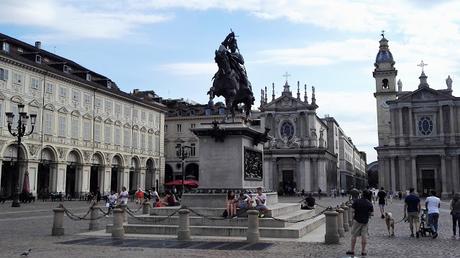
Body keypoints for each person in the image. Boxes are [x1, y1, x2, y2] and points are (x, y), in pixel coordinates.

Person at [346, 190, 373, 257]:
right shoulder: (369, 203)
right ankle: (363, 251)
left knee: (354, 235)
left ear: (362, 194)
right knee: (364, 236)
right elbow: (371, 214)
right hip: (365, 221)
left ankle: (352, 250)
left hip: (357, 220)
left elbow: (352, 210)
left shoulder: (357, 201)